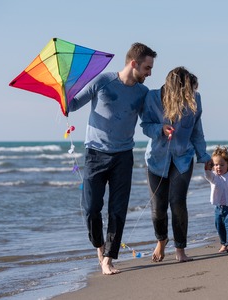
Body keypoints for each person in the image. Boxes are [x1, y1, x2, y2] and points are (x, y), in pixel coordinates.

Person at [68, 42, 157, 275]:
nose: (150, 73)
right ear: (134, 63)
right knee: (91, 209)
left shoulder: (142, 92)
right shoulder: (102, 81)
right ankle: (99, 246)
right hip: (95, 155)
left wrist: (162, 128)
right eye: (147, 68)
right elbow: (74, 104)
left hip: (123, 157)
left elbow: (147, 123)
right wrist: (62, 97)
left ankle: (108, 258)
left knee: (117, 210)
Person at [141, 66, 211, 263]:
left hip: (183, 158)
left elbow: (197, 131)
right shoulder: (153, 98)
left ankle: (180, 250)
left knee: (178, 202)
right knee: (158, 207)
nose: (191, 94)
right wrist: (160, 129)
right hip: (156, 158)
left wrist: (203, 155)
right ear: (176, 87)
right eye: (187, 89)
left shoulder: (195, 100)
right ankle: (161, 241)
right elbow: (145, 125)